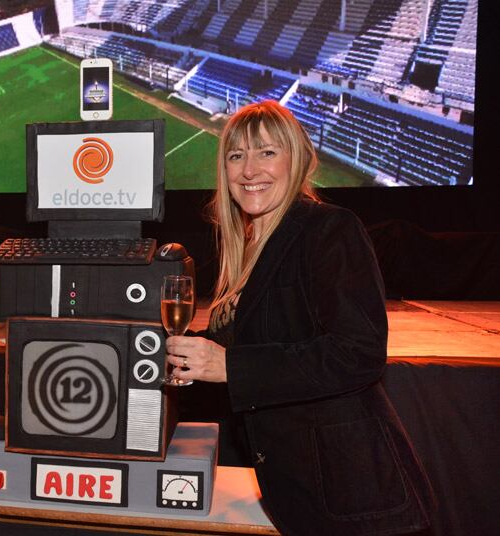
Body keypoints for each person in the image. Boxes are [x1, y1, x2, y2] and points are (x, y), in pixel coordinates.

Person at [165, 101, 435, 535]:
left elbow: (358, 352)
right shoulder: (249, 246)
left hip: (352, 497)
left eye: (267, 152)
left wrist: (228, 365)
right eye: (236, 156)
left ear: (298, 161)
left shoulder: (329, 228)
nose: (249, 169)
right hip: (292, 491)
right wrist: (179, 351)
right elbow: (260, 342)